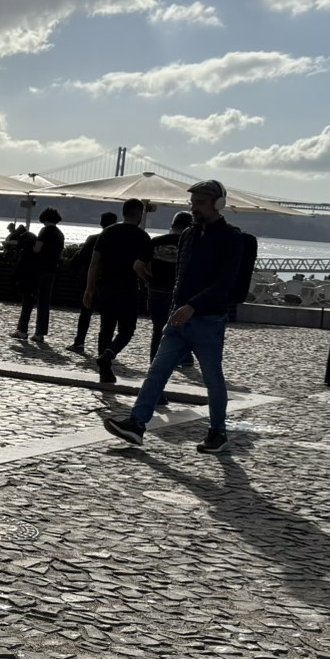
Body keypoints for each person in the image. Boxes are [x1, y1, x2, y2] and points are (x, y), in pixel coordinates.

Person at [103, 179, 246, 454]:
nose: (194, 208)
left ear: (218, 204)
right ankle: (136, 424)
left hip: (208, 321)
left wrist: (192, 306)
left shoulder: (231, 237)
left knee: (212, 378)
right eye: (192, 203)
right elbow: (181, 277)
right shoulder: (188, 235)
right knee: (157, 372)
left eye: (200, 203)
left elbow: (225, 282)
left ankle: (217, 432)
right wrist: (175, 308)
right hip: (178, 319)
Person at [83, 198, 153, 385]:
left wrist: (89, 289)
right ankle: (109, 354)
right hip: (128, 288)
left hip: (105, 286)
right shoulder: (143, 237)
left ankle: (104, 371)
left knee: (106, 328)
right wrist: (148, 282)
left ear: (123, 212)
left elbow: (94, 264)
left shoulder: (107, 232)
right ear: (139, 214)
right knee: (127, 329)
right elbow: (144, 267)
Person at [146, 212, 195, 360]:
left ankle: (154, 361)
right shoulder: (190, 245)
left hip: (156, 290)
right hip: (178, 293)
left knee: (157, 330)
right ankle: (183, 358)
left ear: (172, 225)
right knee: (179, 329)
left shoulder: (155, 241)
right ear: (190, 227)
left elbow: (139, 265)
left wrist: (148, 280)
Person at [67, 212, 119, 351]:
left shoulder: (93, 238)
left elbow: (80, 257)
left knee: (85, 313)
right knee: (107, 318)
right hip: (110, 281)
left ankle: (79, 342)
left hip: (90, 280)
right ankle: (105, 347)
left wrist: (76, 272)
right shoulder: (119, 241)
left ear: (101, 223)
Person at [14, 210, 65, 342]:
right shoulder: (60, 234)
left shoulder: (45, 231)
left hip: (38, 270)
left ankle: (22, 330)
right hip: (51, 271)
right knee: (44, 302)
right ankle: (40, 333)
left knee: (29, 299)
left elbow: (37, 249)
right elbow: (60, 255)